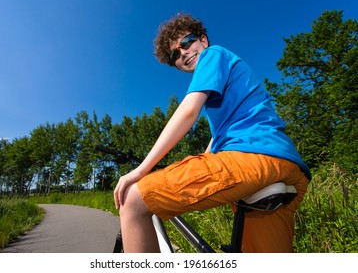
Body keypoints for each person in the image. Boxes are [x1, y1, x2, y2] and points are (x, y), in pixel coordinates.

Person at [113, 13, 311, 253]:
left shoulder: (213, 54)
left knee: (132, 200)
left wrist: (142, 169)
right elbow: (216, 140)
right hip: (290, 167)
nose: (183, 52)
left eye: (186, 42)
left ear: (203, 40)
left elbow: (188, 111)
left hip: (254, 158)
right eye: (175, 54)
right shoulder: (227, 89)